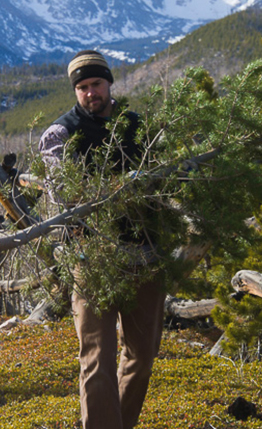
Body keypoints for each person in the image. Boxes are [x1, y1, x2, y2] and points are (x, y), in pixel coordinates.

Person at [38, 50, 166, 429]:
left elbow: (165, 181)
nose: (90, 93)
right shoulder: (59, 134)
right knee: (96, 358)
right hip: (90, 258)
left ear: (109, 83)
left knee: (142, 356)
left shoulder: (140, 127)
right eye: (81, 87)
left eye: (95, 84)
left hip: (146, 254)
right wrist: (122, 187)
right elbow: (64, 195)